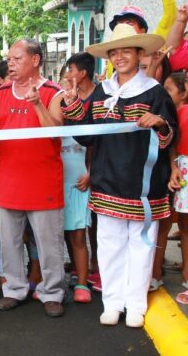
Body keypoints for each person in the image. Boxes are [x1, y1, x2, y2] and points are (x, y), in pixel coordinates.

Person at [63, 23, 175, 327]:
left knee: (141, 245)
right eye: (115, 52)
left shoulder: (154, 92)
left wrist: (159, 122)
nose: (120, 57)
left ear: (139, 54)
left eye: (127, 51)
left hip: (142, 185)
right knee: (110, 244)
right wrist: (73, 106)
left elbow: (169, 136)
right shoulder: (103, 91)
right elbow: (87, 136)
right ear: (109, 57)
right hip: (107, 181)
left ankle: (136, 304)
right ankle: (112, 302)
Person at [0, 38, 66, 318]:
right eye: (9, 59)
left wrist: (37, 105)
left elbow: (56, 133)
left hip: (43, 182)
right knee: (9, 242)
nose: (10, 64)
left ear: (35, 60)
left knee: (49, 244)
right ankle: (14, 289)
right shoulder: (1, 92)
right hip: (9, 181)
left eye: (17, 59)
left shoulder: (53, 92)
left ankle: (52, 292)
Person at [61, 53, 96, 303]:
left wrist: (90, 174)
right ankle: (75, 270)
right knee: (65, 234)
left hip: (78, 185)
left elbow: (94, 149)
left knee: (78, 235)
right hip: (57, 185)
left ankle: (83, 283)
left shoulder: (84, 118)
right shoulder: (55, 120)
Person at [166, 71, 188, 304]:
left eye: (169, 90)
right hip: (182, 170)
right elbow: (173, 143)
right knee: (184, 226)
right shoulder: (174, 114)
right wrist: (174, 166)